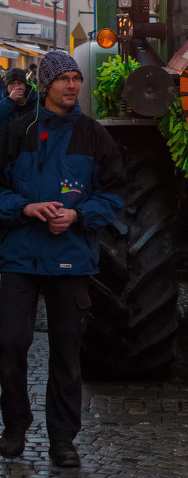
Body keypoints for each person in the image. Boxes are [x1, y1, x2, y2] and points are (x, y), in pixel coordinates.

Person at [0, 51, 126, 468]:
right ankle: (15, 425)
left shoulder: (95, 136)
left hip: (72, 258)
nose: (72, 85)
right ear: (45, 84)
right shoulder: (16, 131)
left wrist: (78, 215)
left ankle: (62, 439)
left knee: (67, 353)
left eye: (76, 78)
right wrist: (24, 208)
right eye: (63, 79)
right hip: (20, 256)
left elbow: (114, 196)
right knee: (11, 343)